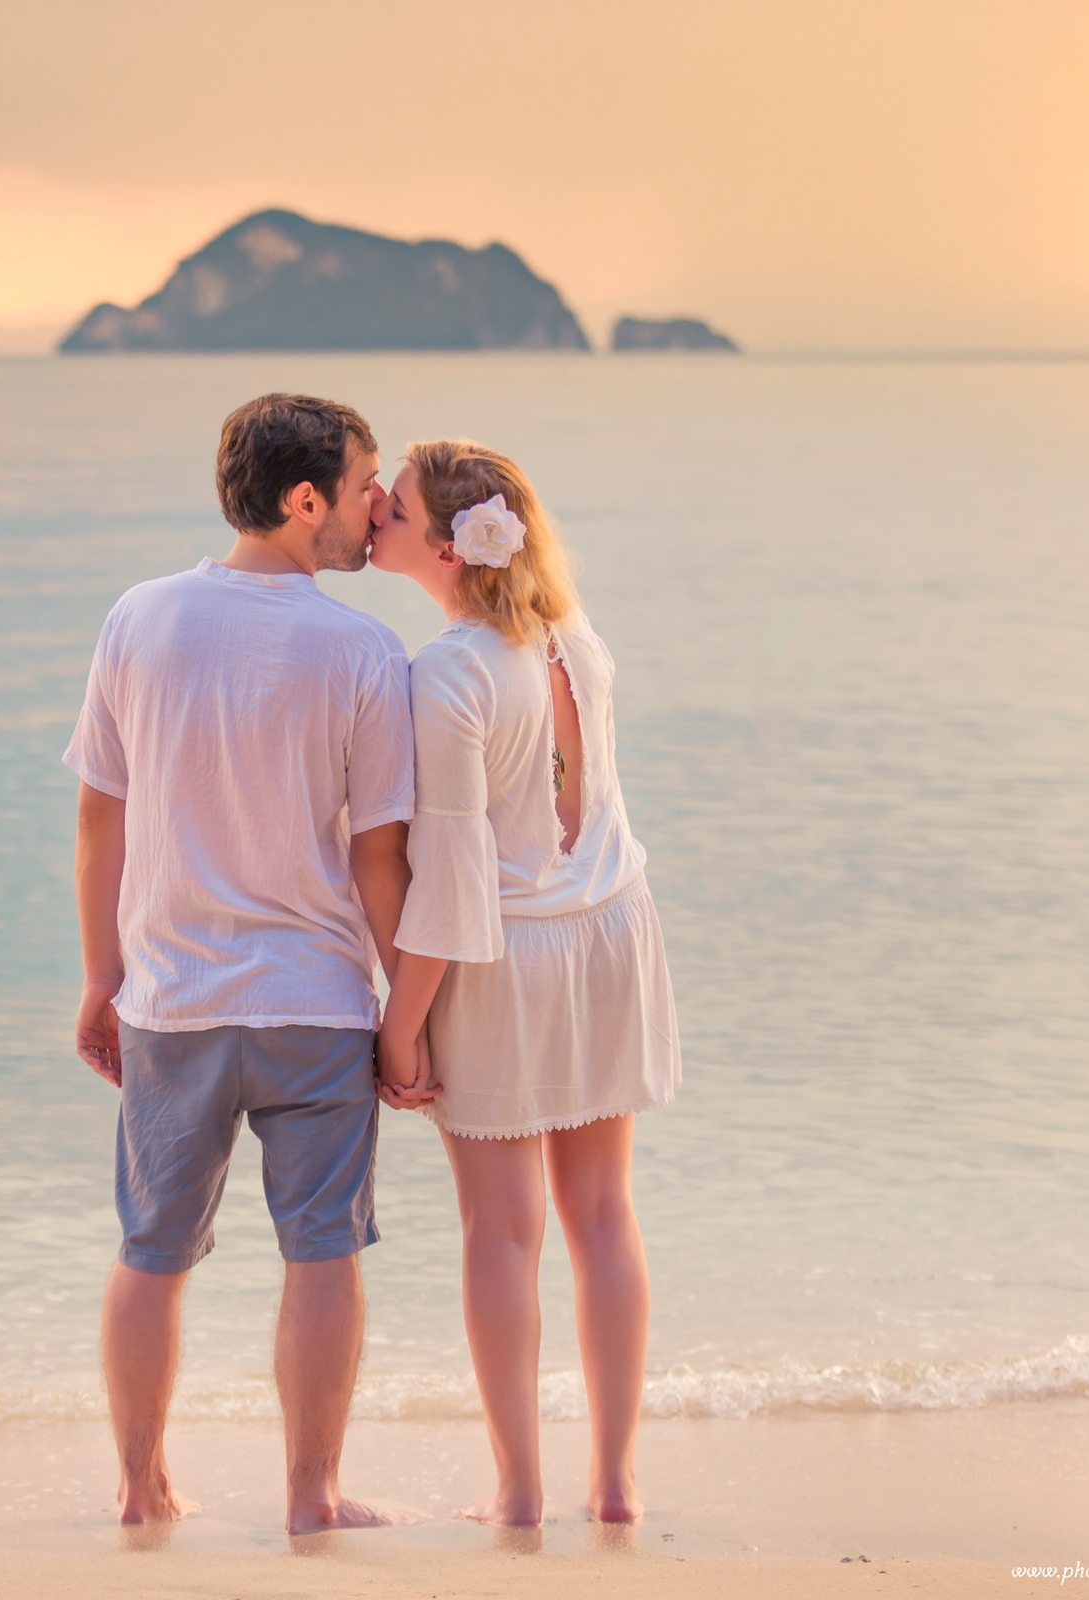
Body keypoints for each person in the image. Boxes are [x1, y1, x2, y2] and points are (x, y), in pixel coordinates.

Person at [65, 393, 419, 1533]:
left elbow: (98, 822)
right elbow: (380, 860)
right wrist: (407, 1013)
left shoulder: (140, 616)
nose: (380, 508)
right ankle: (312, 1498)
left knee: (152, 1248)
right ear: (304, 499)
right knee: (322, 1252)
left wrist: (100, 977)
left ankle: (139, 1486)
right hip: (315, 1004)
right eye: (365, 486)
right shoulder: (367, 647)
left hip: (172, 999)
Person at [366, 439, 681, 1528]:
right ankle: (614, 1483)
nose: (374, 514)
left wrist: (396, 1027)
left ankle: (520, 1489)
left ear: (448, 547)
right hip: (611, 934)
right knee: (603, 1216)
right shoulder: (572, 638)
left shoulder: (443, 675)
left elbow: (451, 885)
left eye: (392, 506)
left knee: (502, 1233)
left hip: (509, 963)